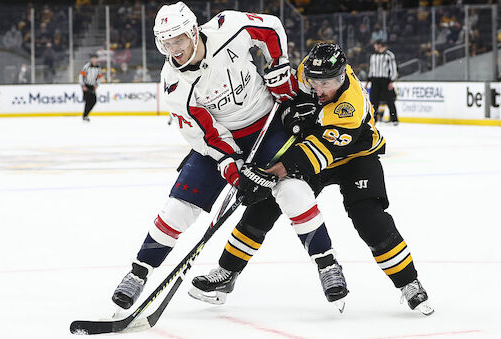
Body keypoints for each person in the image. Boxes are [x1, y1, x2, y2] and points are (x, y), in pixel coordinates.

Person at [109, 2, 348, 314]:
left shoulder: (229, 27)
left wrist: (276, 66)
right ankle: (139, 272)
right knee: (178, 208)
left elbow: (271, 28)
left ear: (194, 32)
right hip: (219, 142)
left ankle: (327, 263)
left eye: (178, 40)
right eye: (166, 44)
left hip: (267, 123)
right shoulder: (173, 83)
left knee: (292, 190)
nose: (174, 50)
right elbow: (205, 133)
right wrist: (232, 166)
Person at [192, 43, 433, 316]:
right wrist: (288, 113)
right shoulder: (310, 68)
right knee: (264, 205)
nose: (319, 88)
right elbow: (287, 101)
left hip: (355, 156)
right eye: (314, 81)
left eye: (326, 83)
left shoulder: (349, 107)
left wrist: (269, 172)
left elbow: (315, 153)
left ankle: (409, 282)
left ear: (341, 77)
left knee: (369, 218)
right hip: (315, 148)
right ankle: (227, 272)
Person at [366, 40, 398, 125]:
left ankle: (394, 119)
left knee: (390, 100)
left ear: (380, 45)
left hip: (385, 80)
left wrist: (392, 81)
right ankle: (374, 119)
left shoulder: (389, 55)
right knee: (373, 101)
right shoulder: (373, 55)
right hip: (375, 80)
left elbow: (393, 68)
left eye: (375, 45)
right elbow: (371, 69)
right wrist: (368, 80)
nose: (374, 47)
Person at [79, 54, 103, 122]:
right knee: (88, 101)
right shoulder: (87, 66)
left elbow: (100, 77)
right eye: (93, 58)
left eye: (95, 58)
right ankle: (85, 115)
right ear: (91, 59)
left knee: (94, 100)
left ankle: (85, 114)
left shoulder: (98, 67)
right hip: (86, 85)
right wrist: (82, 85)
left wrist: (97, 84)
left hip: (92, 86)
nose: (94, 60)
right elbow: (81, 75)